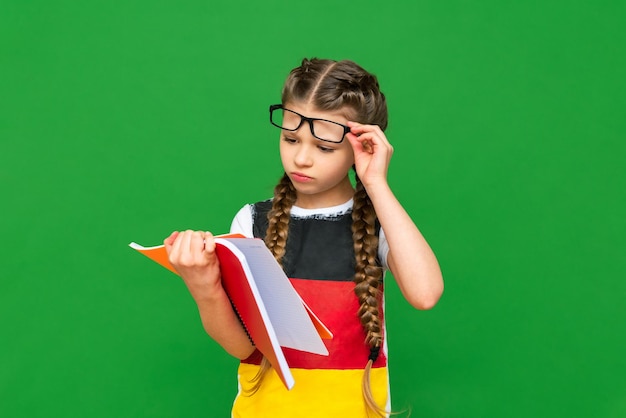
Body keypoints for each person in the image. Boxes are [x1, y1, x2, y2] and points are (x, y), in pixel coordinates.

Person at [164, 58, 444, 417]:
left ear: (362, 146)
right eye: (290, 138)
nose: (301, 158)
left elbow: (425, 293)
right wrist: (203, 285)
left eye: (324, 148)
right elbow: (241, 346)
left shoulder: (381, 222)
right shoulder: (251, 221)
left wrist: (376, 183)